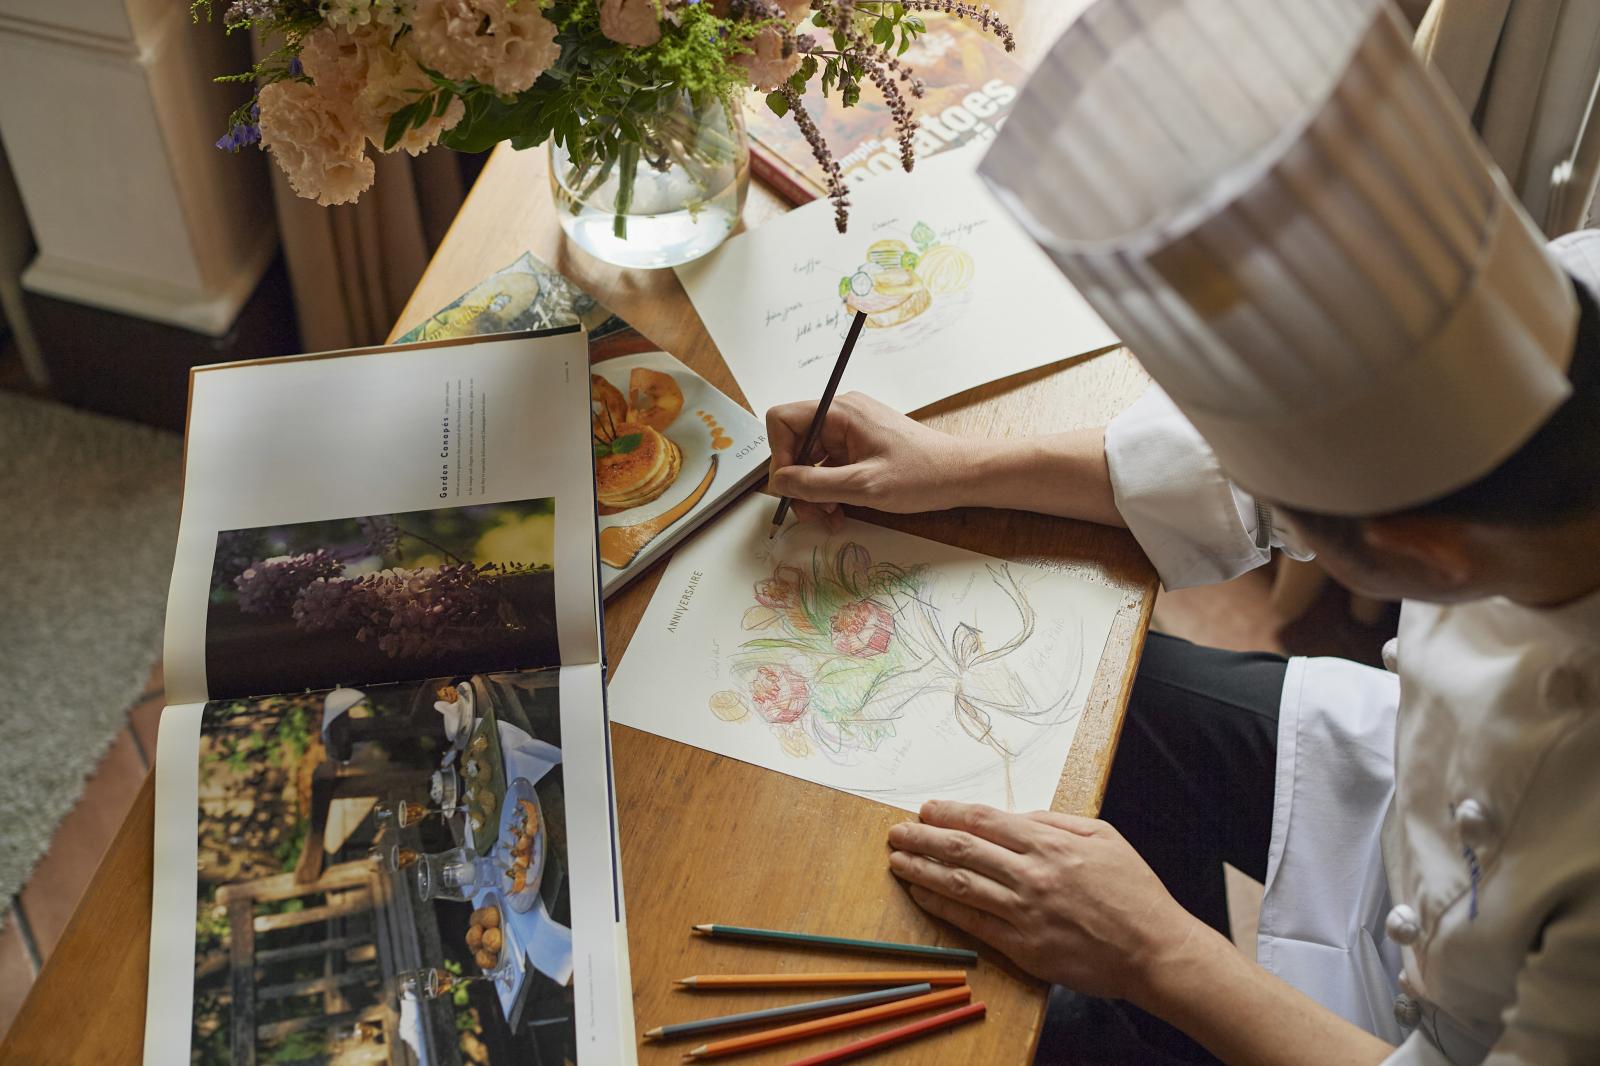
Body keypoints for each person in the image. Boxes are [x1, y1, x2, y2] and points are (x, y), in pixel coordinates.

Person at [765, 1, 1600, 1063]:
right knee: (1102, 703)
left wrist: (1161, 954)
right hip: (1389, 774)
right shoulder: (1576, 308)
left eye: (1285, 516)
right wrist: (948, 466)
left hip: (1445, 1033)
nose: (1257, 502)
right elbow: (1267, 462)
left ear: (1431, 560)